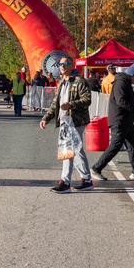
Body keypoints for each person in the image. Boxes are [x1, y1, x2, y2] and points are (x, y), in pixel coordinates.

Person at [39, 56, 93, 193]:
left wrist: (71, 105)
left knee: (67, 150)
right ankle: (86, 179)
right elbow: (55, 104)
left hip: (76, 121)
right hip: (65, 122)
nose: (61, 66)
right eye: (59, 64)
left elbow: (87, 100)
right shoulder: (62, 82)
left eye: (64, 64)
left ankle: (65, 182)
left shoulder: (79, 81)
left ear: (71, 65)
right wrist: (46, 118)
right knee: (76, 149)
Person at [91, 64, 134, 181]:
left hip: (126, 120)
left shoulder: (124, 82)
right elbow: (121, 101)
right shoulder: (121, 83)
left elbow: (126, 100)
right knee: (115, 146)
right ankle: (96, 168)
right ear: (133, 76)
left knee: (133, 145)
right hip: (119, 120)